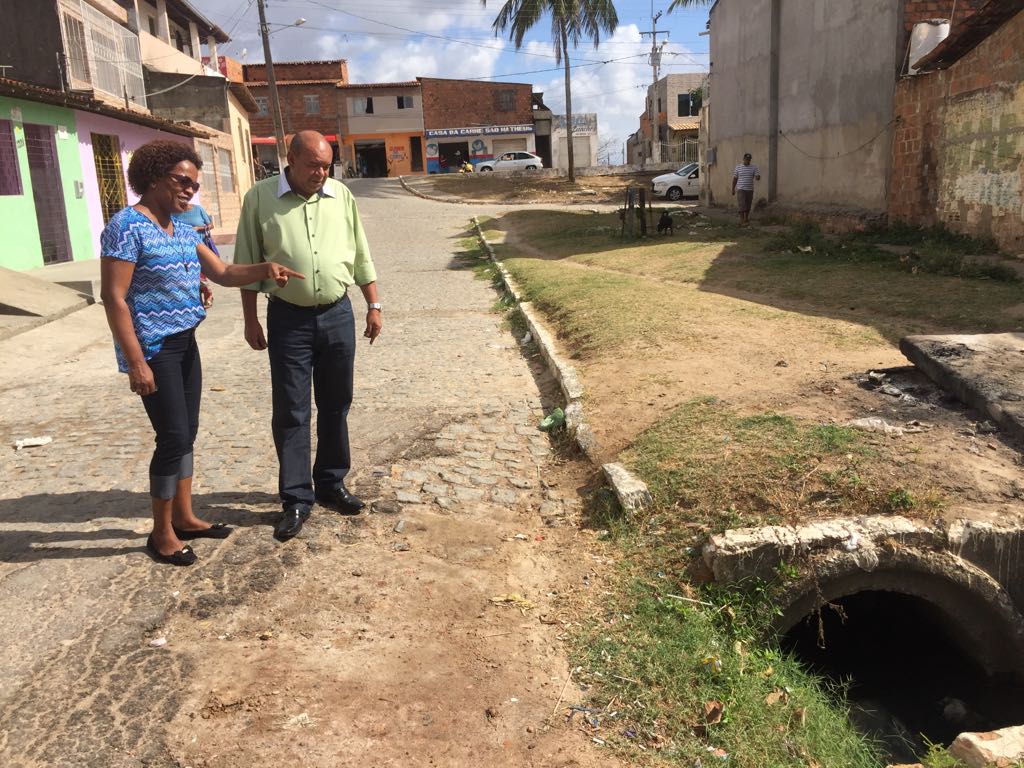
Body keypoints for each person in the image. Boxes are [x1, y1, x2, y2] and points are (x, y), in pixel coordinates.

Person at [100, 140, 303, 566]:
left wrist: (265, 269)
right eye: (182, 180)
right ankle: (161, 532)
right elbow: (114, 298)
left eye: (194, 183)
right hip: (154, 348)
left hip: (185, 341)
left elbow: (224, 272)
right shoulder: (126, 226)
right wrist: (136, 360)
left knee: (186, 431)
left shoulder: (182, 228)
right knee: (171, 436)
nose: (190, 189)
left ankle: (187, 516)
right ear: (153, 177)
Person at [234, 130, 382, 542]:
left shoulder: (340, 196)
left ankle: (331, 483)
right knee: (292, 411)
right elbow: (246, 262)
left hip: (338, 314)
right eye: (313, 165)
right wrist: (250, 320)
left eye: (326, 165)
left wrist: (374, 304)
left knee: (337, 403)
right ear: (291, 159)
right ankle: (296, 497)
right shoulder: (260, 199)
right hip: (288, 320)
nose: (321, 172)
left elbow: (359, 252)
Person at [173, 201, 216, 308]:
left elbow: (211, 225)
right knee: (191, 275)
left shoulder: (198, 209)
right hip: (183, 249)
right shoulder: (173, 212)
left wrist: (198, 228)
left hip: (201, 247)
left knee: (200, 273)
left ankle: (207, 293)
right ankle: (199, 298)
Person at [731, 152, 761, 225]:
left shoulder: (754, 167)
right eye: (746, 159)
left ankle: (746, 218)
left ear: (750, 160)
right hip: (741, 189)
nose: (747, 160)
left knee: (748, 204)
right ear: (743, 159)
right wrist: (733, 189)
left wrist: (758, 177)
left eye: (749, 159)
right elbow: (735, 179)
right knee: (742, 204)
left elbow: (757, 176)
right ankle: (741, 219)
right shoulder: (738, 167)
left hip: (750, 189)